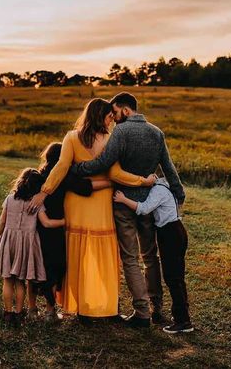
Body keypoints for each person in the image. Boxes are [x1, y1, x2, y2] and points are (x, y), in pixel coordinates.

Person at [27, 98, 156, 319]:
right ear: (101, 116)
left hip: (76, 204)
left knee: (79, 258)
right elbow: (115, 175)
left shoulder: (71, 137)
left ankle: (82, 307)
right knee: (103, 257)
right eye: (109, 117)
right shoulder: (109, 139)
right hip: (102, 205)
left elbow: (61, 167)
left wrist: (44, 191)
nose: (111, 121)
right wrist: (142, 181)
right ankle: (108, 308)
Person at [70, 92, 185, 328]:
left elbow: (103, 163)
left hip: (123, 203)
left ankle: (142, 312)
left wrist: (79, 168)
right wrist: (178, 192)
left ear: (125, 109)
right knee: (151, 257)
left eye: (115, 111)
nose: (113, 117)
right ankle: (157, 308)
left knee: (130, 258)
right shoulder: (156, 132)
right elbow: (168, 167)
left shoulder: (121, 132)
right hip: (148, 204)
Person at [28, 142, 112, 323]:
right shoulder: (62, 176)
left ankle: (32, 309)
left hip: (33, 230)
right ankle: (50, 312)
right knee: (53, 268)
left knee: (34, 268)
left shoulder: (37, 176)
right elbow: (85, 187)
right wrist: (109, 182)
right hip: (55, 229)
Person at [113, 176, 193, 334]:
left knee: (173, 278)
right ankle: (182, 317)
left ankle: (183, 321)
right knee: (176, 277)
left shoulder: (157, 190)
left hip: (170, 233)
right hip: (174, 231)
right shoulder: (165, 186)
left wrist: (123, 199)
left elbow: (143, 208)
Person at [0, 168, 59, 325]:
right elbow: (47, 223)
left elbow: (1, 223)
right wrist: (65, 221)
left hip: (8, 241)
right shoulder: (37, 204)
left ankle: (8, 313)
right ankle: (19, 313)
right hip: (25, 246)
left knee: (8, 280)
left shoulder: (9, 199)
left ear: (20, 182)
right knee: (20, 281)